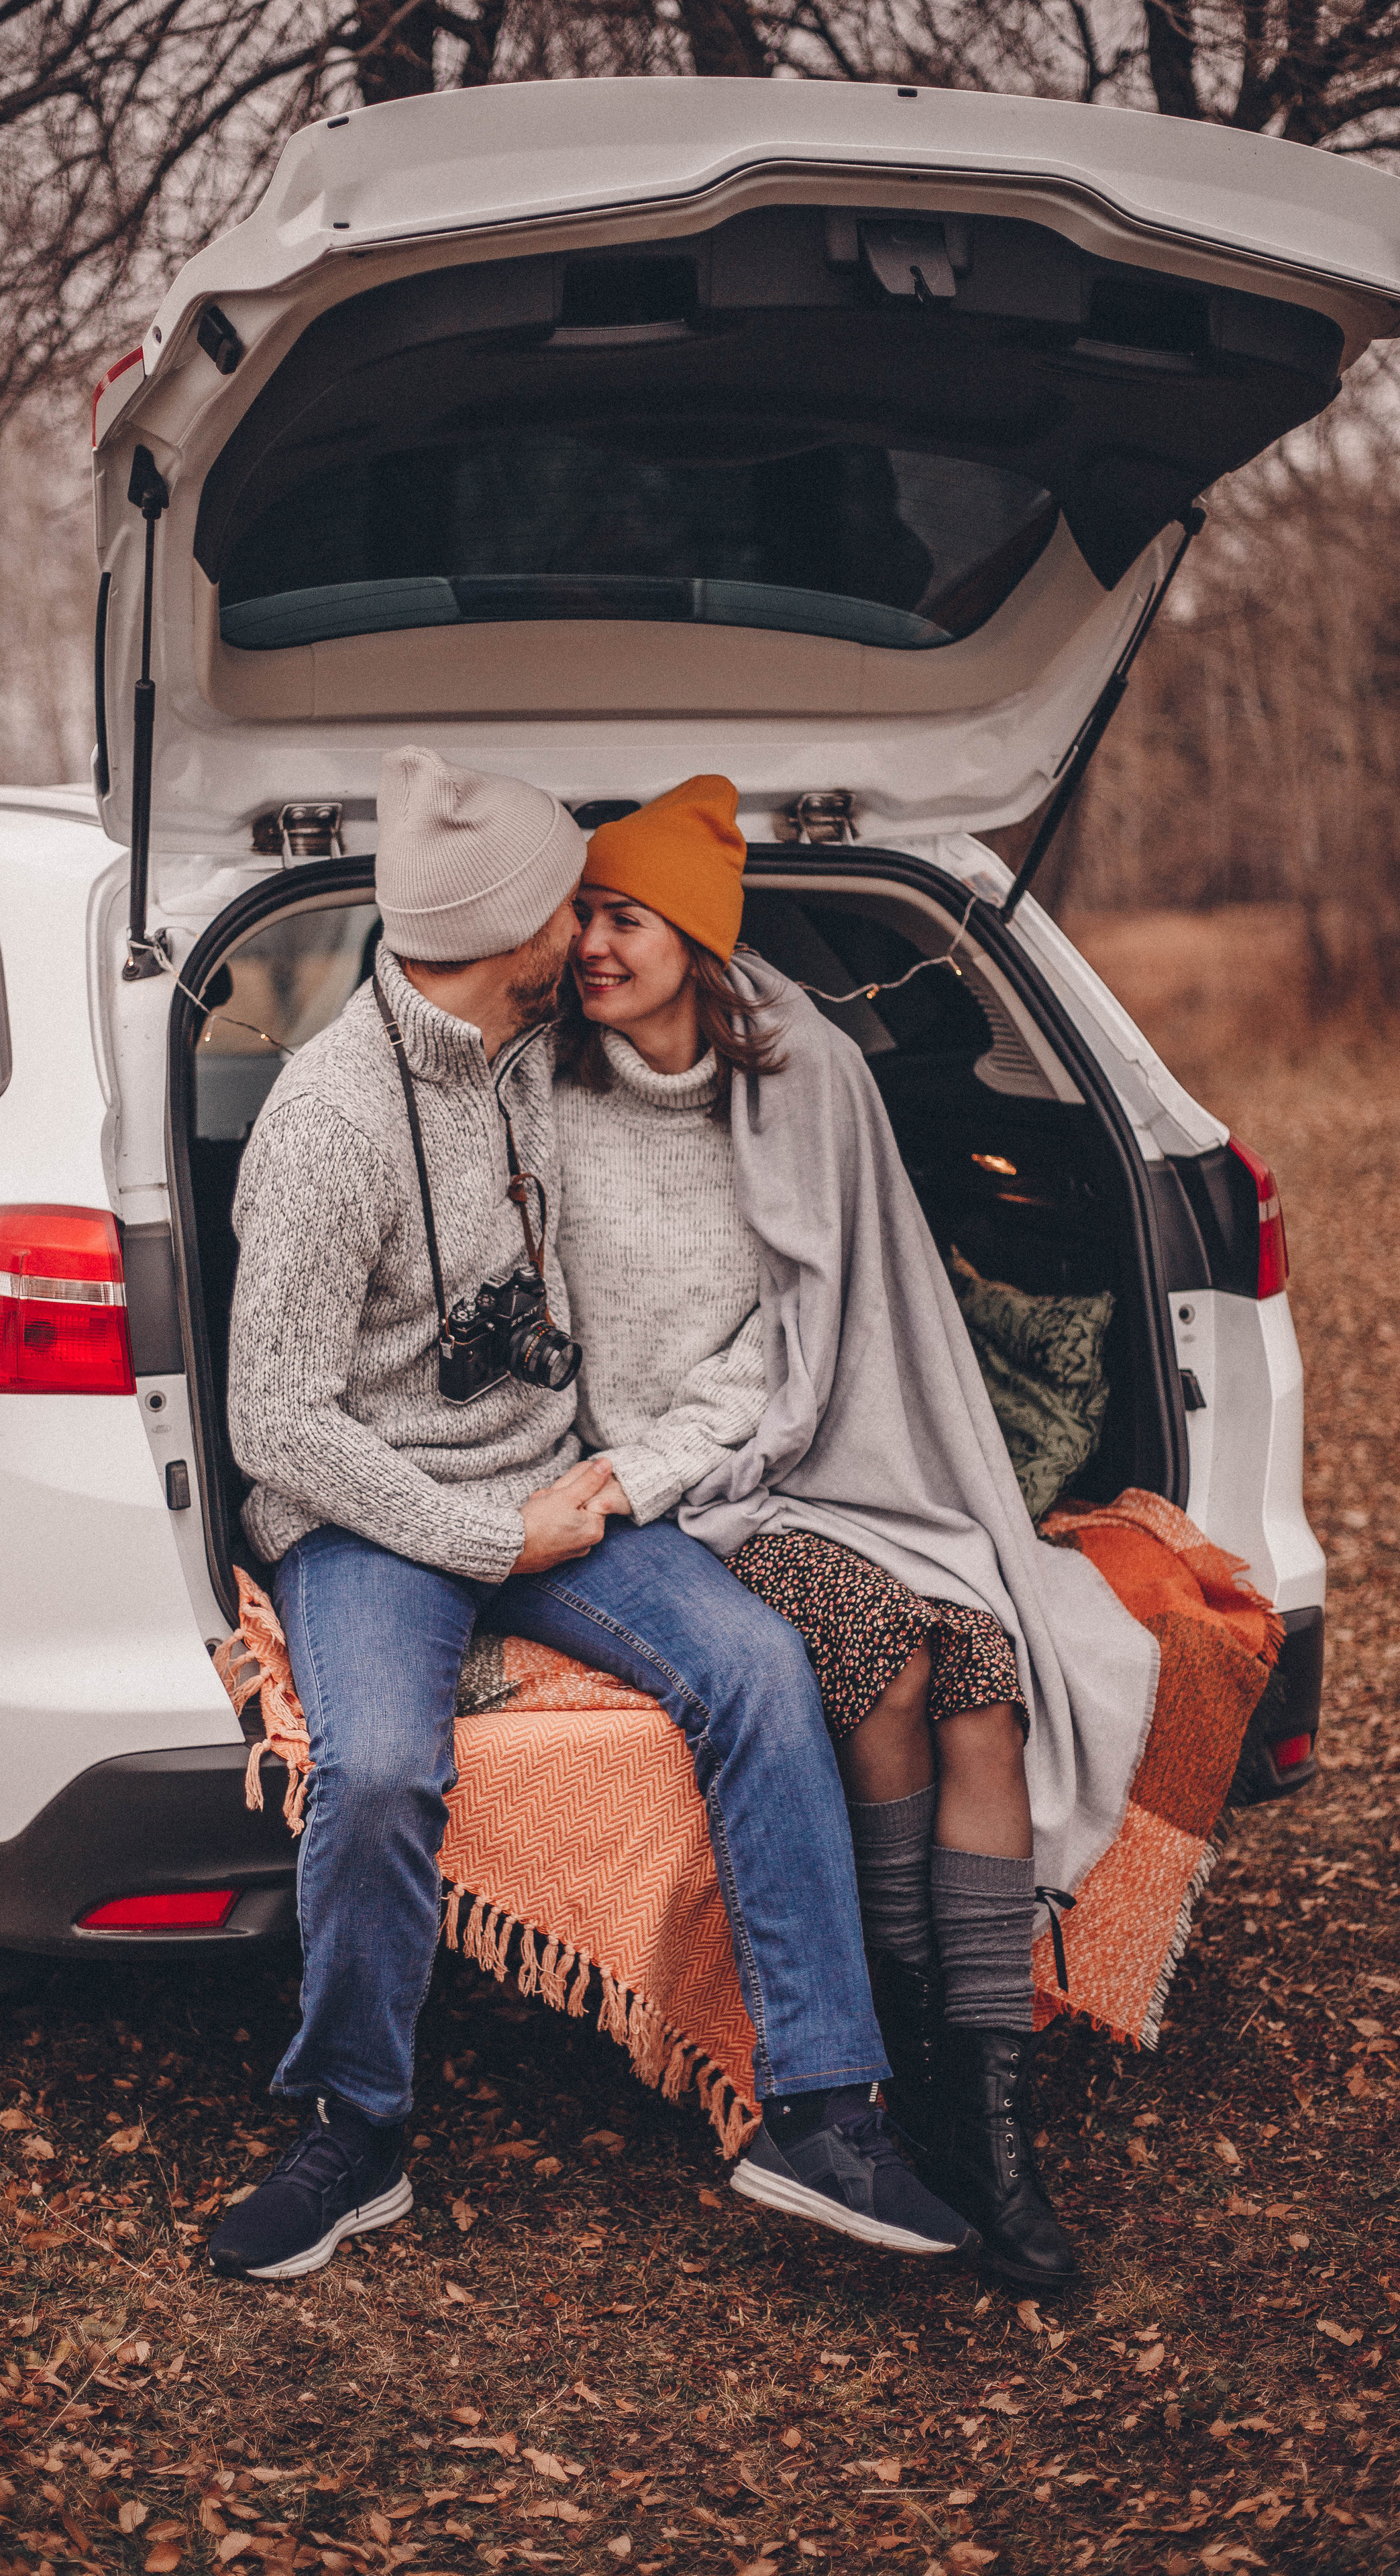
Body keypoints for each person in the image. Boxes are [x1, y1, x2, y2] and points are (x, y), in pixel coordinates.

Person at [207, 743, 977, 2283]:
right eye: (574, 903)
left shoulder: (531, 1055)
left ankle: (821, 2113)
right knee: (376, 1774)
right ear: (511, 932)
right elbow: (271, 1423)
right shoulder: (326, 1121)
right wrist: (492, 1542)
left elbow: (715, 1027)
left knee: (756, 1670)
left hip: (551, 1480)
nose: (591, 927)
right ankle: (352, 2134)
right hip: (369, 1515)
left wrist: (589, 1490)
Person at [553, 775, 1152, 2293]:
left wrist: (734, 1435)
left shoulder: (797, 1072)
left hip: (806, 1441)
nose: (592, 944)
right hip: (668, 1490)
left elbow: (808, 1328)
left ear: (697, 937)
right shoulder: (543, 1093)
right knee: (883, 1654)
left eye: (625, 917)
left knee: (985, 1669)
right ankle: (902, 2045)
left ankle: (987, 2119)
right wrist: (637, 1474)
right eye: (582, 916)